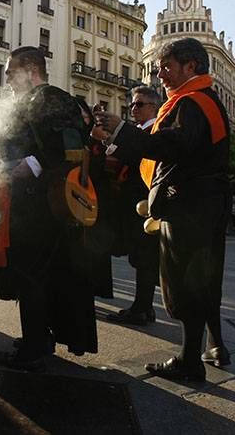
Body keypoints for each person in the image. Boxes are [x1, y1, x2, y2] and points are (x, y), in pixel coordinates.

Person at [95, 38, 231, 382]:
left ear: (191, 67)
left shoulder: (192, 102)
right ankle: (212, 345)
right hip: (206, 200)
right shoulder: (205, 101)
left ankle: (189, 359)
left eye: (167, 66)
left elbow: (171, 146)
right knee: (205, 276)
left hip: (189, 205)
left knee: (184, 279)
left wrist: (122, 129)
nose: (160, 73)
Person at [0, 46, 96, 371]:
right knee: (32, 273)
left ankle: (35, 344)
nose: (8, 78)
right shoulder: (25, 102)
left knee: (34, 275)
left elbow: (72, 141)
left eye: (11, 71)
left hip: (46, 204)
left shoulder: (51, 97)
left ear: (30, 70)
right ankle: (38, 335)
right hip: (26, 202)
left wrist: (32, 163)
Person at [107, 86, 161, 326]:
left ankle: (142, 307)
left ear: (153, 107)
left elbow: (140, 154)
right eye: (132, 104)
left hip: (144, 204)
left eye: (139, 104)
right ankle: (143, 306)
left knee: (145, 258)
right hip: (129, 202)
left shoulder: (154, 131)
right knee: (139, 257)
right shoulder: (138, 131)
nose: (133, 109)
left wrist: (119, 130)